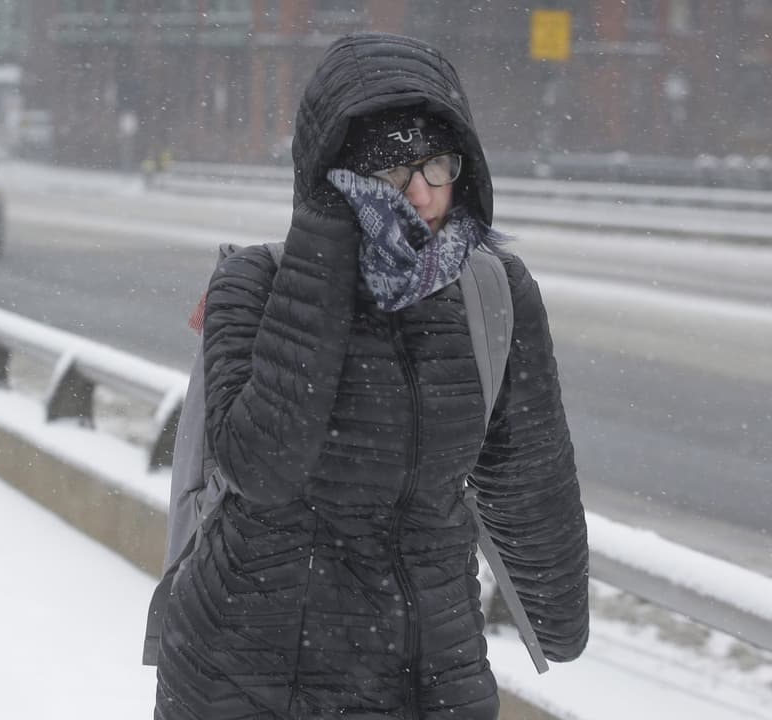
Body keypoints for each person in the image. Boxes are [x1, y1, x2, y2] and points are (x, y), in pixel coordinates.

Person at [153, 32, 589, 719]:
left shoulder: (492, 290)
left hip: (432, 666)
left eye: (438, 167)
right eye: (391, 173)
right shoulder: (254, 285)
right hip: (249, 673)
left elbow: (528, 465)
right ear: (333, 175)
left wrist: (558, 607)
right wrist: (322, 249)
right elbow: (262, 468)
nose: (422, 195)